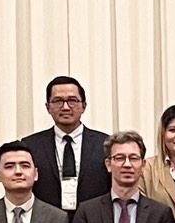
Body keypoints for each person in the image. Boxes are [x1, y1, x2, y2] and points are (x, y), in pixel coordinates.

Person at [21, 75, 110, 210]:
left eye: (72, 101)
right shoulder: (31, 145)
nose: (66, 107)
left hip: (94, 220)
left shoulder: (105, 144)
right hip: (47, 221)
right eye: (58, 101)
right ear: (48, 107)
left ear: (84, 106)